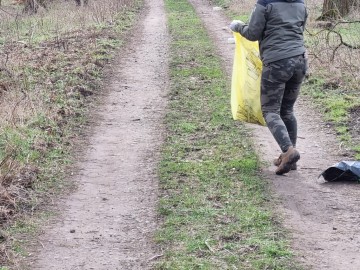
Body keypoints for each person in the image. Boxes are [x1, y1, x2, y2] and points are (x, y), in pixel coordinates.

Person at [230, 0, 308, 175]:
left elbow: (252, 33)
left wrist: (237, 26)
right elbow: (300, 29)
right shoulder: (301, 3)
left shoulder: (265, 3)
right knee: (287, 110)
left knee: (270, 110)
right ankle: (290, 158)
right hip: (300, 61)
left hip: (277, 63)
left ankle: (288, 150)